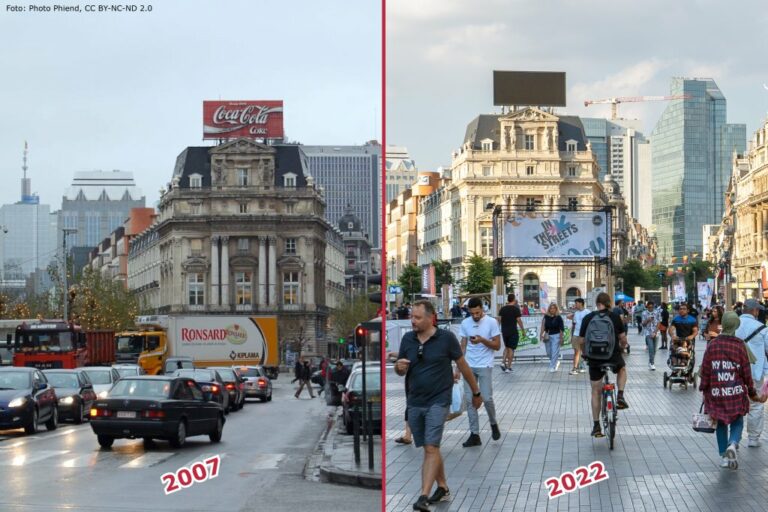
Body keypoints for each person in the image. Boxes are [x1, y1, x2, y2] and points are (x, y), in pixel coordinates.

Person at [395, 300, 482, 511]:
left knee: (431, 446)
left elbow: (463, 365)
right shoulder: (408, 339)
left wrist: (476, 392)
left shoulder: (446, 339)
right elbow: (400, 369)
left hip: (439, 399)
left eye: (417, 317)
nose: (412, 321)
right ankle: (442, 487)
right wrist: (398, 367)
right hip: (415, 401)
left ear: (430, 317)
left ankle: (423, 496)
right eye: (411, 317)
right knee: (429, 447)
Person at [699, 311, 766, 469]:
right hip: (735, 392)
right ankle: (733, 443)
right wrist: (752, 392)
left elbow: (706, 370)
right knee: (737, 421)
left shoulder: (713, 344)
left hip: (716, 392)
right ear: (736, 325)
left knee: (720, 423)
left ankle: (724, 456)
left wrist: (704, 389)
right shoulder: (739, 345)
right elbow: (746, 372)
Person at [580, 292, 629, 437]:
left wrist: (585, 354)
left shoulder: (588, 318)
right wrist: (622, 347)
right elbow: (623, 338)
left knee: (596, 391)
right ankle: (620, 395)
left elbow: (581, 341)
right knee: (622, 369)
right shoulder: (614, 317)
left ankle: (596, 426)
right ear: (609, 303)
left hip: (594, 358)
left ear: (597, 303)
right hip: (612, 356)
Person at [456, 297, 502, 447]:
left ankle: (493, 423)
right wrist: (458, 367)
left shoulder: (491, 322)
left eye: (477, 312)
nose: (475, 316)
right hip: (469, 365)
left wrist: (482, 340)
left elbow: (497, 346)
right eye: (472, 313)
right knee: (470, 401)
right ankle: (474, 434)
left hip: (485, 365)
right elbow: (462, 346)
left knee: (487, 398)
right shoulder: (465, 323)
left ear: (482, 309)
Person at [735, 299, 768, 447]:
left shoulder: (733, 326)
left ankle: (734, 440)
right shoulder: (762, 328)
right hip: (755, 372)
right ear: (754, 310)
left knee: (735, 403)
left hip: (734, 372)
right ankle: (753, 439)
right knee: (756, 404)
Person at [498, 294, 524, 373]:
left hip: (504, 331)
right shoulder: (515, 309)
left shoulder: (502, 309)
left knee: (507, 347)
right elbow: (519, 320)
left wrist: (497, 329)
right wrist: (523, 330)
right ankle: (508, 367)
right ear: (514, 299)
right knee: (511, 349)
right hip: (513, 331)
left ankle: (503, 362)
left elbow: (499, 319)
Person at [540, 303, 565, 372]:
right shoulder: (546, 317)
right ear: (549, 309)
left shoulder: (559, 317)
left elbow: (561, 329)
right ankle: (555, 362)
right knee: (548, 352)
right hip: (547, 336)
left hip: (556, 336)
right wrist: (541, 334)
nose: (552, 309)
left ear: (556, 309)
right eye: (551, 308)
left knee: (554, 352)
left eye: (554, 308)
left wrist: (561, 338)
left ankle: (552, 367)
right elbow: (543, 326)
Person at [568, 298, 590, 375]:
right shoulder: (576, 313)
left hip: (584, 335)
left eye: (576, 303)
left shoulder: (587, 312)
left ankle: (581, 367)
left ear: (581, 303)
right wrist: (572, 335)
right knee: (577, 352)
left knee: (583, 352)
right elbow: (574, 324)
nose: (575, 305)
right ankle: (575, 368)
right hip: (576, 334)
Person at [641, 301, 660, 370]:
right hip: (648, 333)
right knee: (651, 348)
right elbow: (643, 324)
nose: (650, 308)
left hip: (656, 332)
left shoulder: (657, 312)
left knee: (654, 349)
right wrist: (647, 320)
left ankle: (650, 361)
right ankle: (652, 363)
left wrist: (655, 332)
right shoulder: (644, 313)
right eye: (649, 307)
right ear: (647, 307)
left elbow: (658, 323)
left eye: (652, 307)